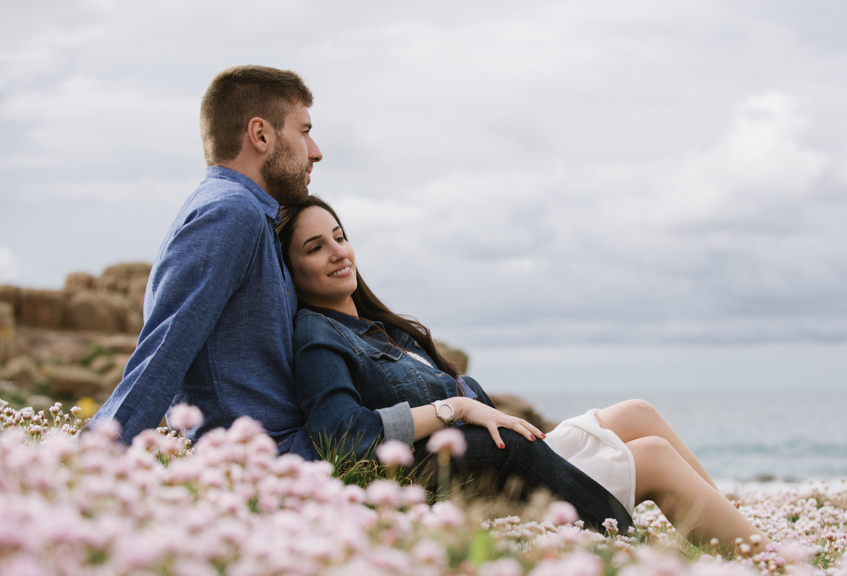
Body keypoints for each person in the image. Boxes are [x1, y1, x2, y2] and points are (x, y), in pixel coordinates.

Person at [277, 196, 772, 551]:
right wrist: (454, 408)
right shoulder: (318, 336)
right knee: (656, 459)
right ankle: (774, 573)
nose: (339, 252)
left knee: (639, 413)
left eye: (340, 237)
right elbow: (340, 435)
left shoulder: (379, 329)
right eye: (316, 247)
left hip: (516, 456)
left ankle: (745, 538)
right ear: (291, 270)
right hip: (491, 484)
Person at [94, 65, 337, 446]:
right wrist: (91, 457)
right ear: (261, 134)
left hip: (293, 446)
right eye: (304, 131)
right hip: (272, 458)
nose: (316, 151)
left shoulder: (250, 215)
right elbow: (165, 348)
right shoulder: (231, 212)